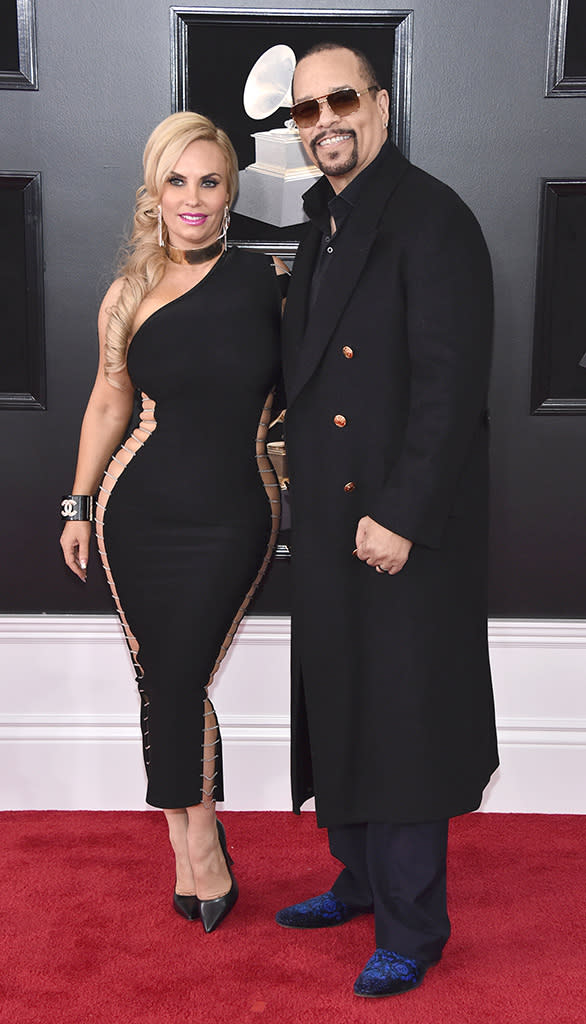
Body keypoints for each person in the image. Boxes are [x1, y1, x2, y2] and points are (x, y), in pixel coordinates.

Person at [276, 43, 499, 998]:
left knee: (403, 716)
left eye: (339, 100)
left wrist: (401, 512)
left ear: (380, 105)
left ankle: (414, 928)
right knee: (346, 697)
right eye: (303, 110)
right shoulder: (324, 222)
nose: (322, 120)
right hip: (330, 513)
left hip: (400, 518)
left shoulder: (434, 217)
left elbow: (452, 389)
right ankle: (359, 881)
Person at [60, 111, 287, 933]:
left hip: (232, 513)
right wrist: (78, 502)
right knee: (160, 678)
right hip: (136, 510)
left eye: (210, 181)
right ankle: (193, 846)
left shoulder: (270, 281)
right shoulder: (128, 292)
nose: (193, 198)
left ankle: (203, 847)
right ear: (154, 191)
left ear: (233, 191)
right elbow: (108, 400)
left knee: (180, 671)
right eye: (176, 180)